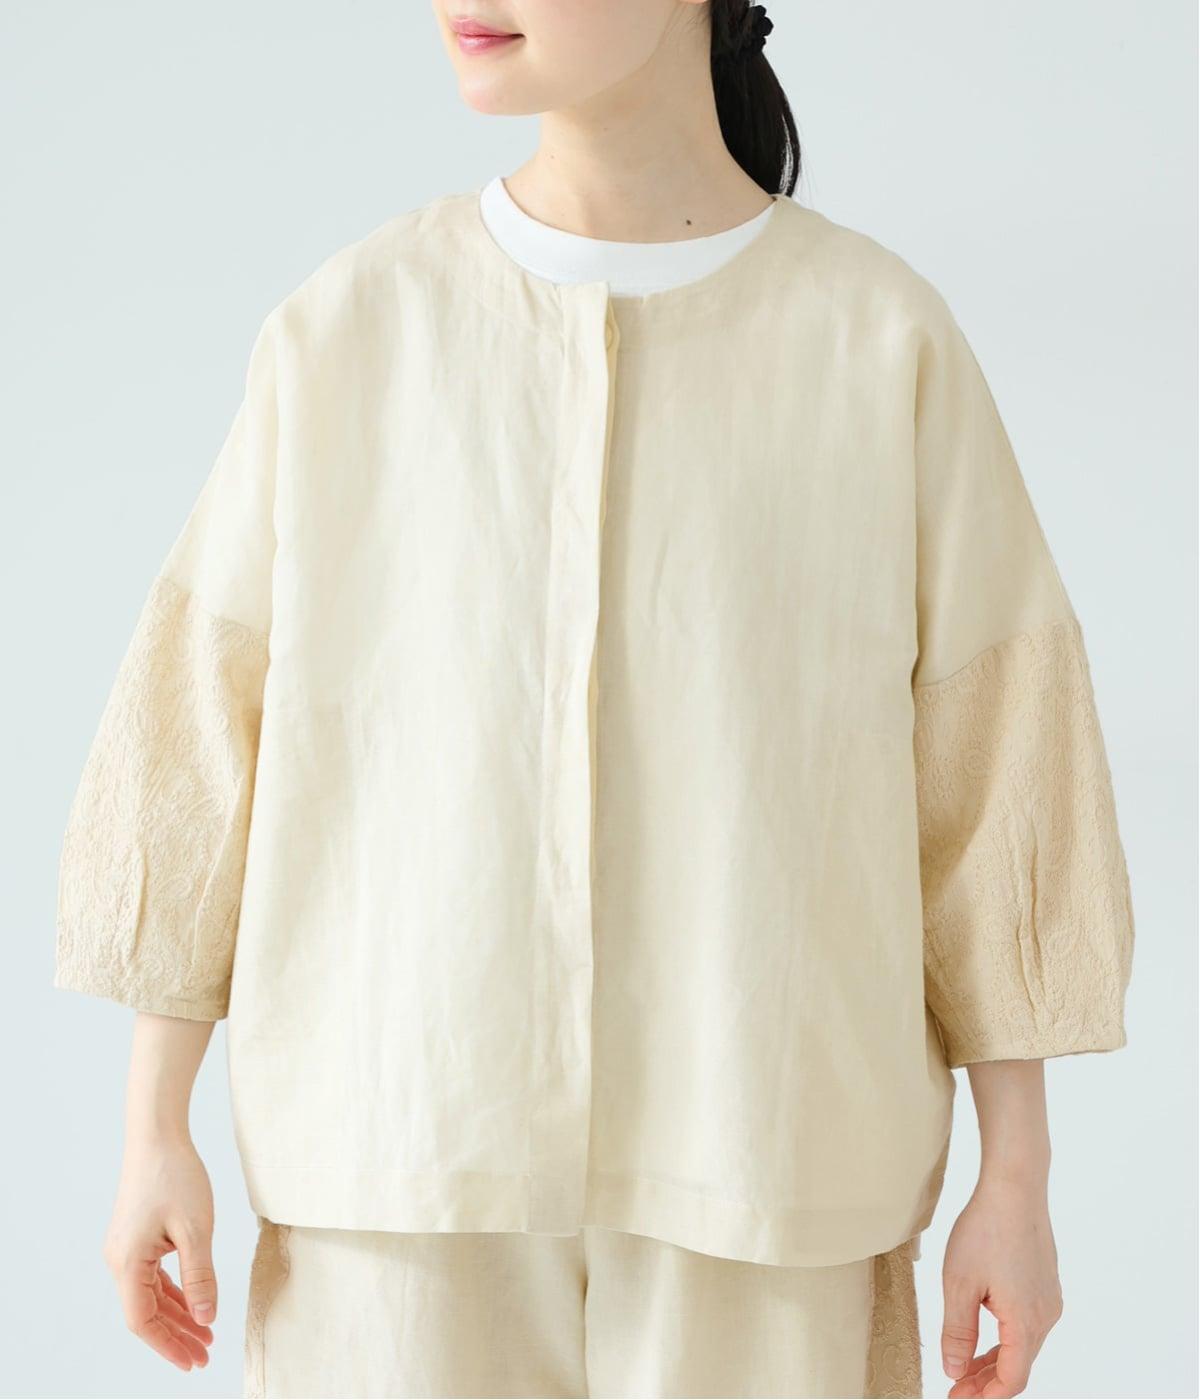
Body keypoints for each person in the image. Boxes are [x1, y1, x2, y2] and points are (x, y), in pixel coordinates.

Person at [54, 2, 1136, 1397]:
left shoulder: (880, 342)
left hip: (771, 1175)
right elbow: (203, 737)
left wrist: (1018, 1176)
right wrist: (154, 1129)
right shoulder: (353, 329)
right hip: (395, 1174)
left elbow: (997, 773)